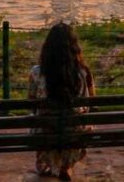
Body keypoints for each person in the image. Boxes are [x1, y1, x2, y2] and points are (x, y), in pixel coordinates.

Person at [28, 22, 95, 180]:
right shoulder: (84, 72)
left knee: (39, 120)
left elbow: (31, 101)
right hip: (75, 134)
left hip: (46, 133)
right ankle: (66, 166)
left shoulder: (37, 72)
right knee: (79, 123)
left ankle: (46, 161)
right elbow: (91, 100)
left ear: (47, 47)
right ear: (74, 47)